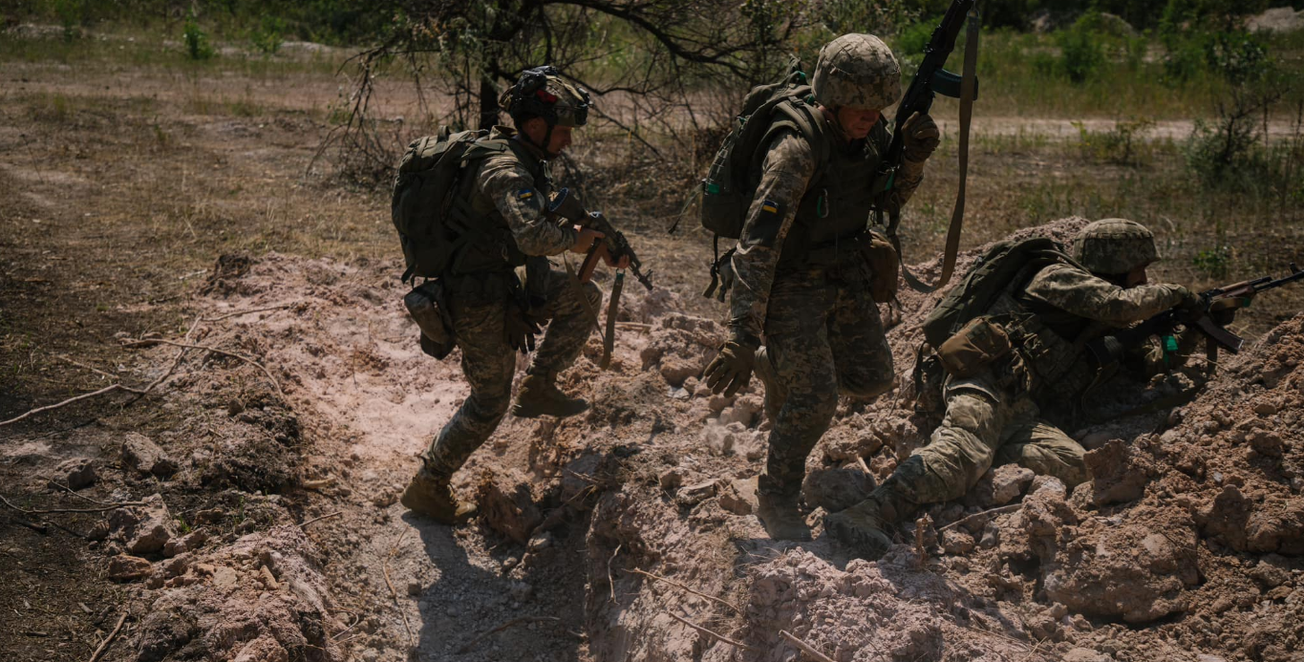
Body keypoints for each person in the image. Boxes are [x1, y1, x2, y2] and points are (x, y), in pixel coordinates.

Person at [826, 218, 1217, 559]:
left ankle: (987, 459)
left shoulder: (1102, 326)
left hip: (1023, 411)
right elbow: (1122, 305)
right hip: (982, 380)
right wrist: (1180, 294)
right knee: (965, 453)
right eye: (1139, 269)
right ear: (1113, 265)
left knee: (1082, 469)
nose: (1144, 280)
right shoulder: (1056, 277)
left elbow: (1155, 364)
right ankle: (868, 512)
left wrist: (1189, 330)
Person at [703, 34, 941, 540]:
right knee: (817, 396)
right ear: (832, 97)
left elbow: (884, 197)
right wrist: (743, 335)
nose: (870, 117)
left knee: (873, 378)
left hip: (843, 269)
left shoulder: (871, 133)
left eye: (878, 107)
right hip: (788, 279)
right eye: (859, 106)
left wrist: (914, 159)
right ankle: (776, 494)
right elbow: (757, 244)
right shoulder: (794, 151)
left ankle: (776, 365)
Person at [401, 66, 622, 524]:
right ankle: (429, 483)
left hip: (500, 281)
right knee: (488, 402)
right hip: (474, 296)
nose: (568, 140)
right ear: (535, 125)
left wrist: (595, 241)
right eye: (562, 131)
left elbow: (538, 223)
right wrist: (579, 240)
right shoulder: (503, 167)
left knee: (584, 298)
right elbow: (535, 238)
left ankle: (540, 385)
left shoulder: (523, 157)